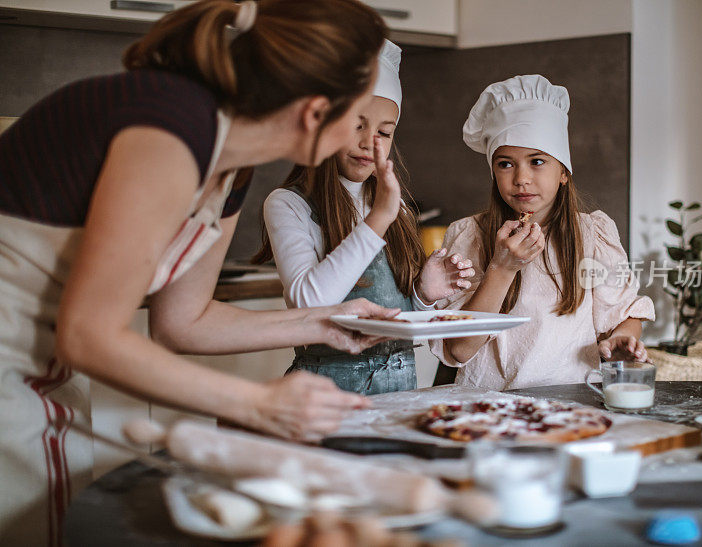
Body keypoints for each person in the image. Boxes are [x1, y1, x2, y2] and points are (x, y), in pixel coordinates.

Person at [0, 1, 395, 544]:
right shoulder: (170, 130)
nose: (365, 138)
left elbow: (182, 323)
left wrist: (326, 320)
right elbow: (89, 334)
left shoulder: (229, 164)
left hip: (40, 364)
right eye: (357, 119)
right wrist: (259, 404)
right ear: (314, 113)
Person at [259, 41, 474, 395]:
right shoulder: (288, 203)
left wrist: (422, 294)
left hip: (400, 393)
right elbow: (308, 306)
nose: (368, 142)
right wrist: (378, 219)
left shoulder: (395, 207)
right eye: (356, 125)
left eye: (384, 132)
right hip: (324, 396)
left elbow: (397, 317)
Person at [430, 75, 655, 390]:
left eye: (537, 161)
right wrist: (501, 267)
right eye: (506, 164)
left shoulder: (593, 234)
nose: (521, 178)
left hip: (574, 403)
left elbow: (623, 315)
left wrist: (622, 341)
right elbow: (459, 349)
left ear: (563, 171)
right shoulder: (469, 235)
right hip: (488, 406)